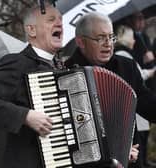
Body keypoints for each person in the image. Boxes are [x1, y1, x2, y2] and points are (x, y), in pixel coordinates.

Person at [64, 12, 156, 166]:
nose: (108, 43)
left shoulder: (127, 66)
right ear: (81, 42)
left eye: (111, 37)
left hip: (130, 159)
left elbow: (145, 102)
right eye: (100, 38)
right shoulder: (65, 73)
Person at [0, 2, 63, 168]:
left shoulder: (63, 69)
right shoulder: (16, 62)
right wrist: (25, 116)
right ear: (31, 30)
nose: (59, 24)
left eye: (60, 20)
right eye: (51, 20)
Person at [114, 25, 156, 168]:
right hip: (134, 110)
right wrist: (152, 71)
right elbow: (140, 75)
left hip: (138, 106)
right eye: (132, 37)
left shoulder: (126, 55)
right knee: (140, 141)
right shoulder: (123, 55)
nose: (134, 41)